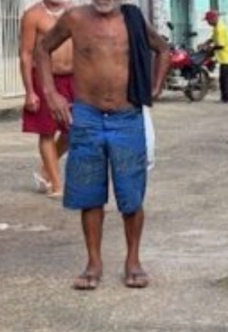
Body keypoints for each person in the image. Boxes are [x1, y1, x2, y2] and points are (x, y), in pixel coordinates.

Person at [36, 0, 170, 290]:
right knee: (89, 194)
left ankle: (133, 260)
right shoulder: (74, 18)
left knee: (131, 195)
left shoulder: (133, 19)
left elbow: (162, 48)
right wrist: (50, 93)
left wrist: (156, 86)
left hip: (127, 116)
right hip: (87, 117)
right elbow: (43, 48)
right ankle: (93, 262)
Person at [19, 0, 74, 198]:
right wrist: (30, 91)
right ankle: (56, 184)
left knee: (74, 130)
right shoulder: (34, 15)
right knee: (47, 131)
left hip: (73, 78)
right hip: (45, 78)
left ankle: (46, 170)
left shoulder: (73, 11)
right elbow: (25, 54)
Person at [203, 10, 228, 104]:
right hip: (223, 57)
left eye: (208, 21)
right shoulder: (217, 27)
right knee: (223, 78)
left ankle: (226, 98)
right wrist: (206, 43)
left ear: (213, 19)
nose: (208, 23)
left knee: (224, 79)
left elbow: (220, 45)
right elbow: (213, 38)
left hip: (226, 57)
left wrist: (210, 49)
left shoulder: (220, 28)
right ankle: (226, 97)